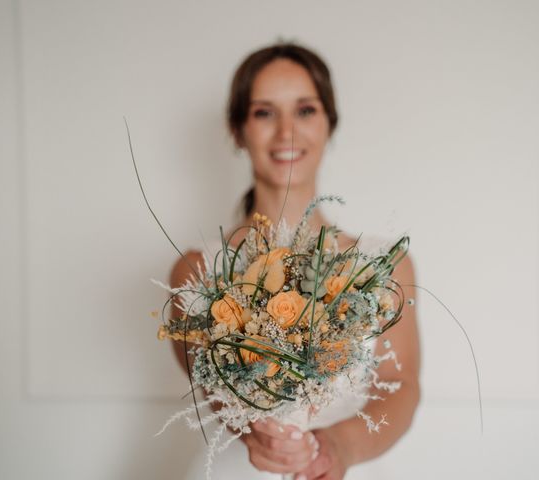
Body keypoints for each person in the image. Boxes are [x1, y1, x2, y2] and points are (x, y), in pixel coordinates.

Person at [169, 41, 421, 480]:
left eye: (305, 110)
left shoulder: (384, 264)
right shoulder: (195, 270)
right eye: (264, 112)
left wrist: (336, 449)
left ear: (329, 124)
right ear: (237, 130)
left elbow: (401, 390)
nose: (286, 132)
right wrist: (261, 437)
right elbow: (212, 392)